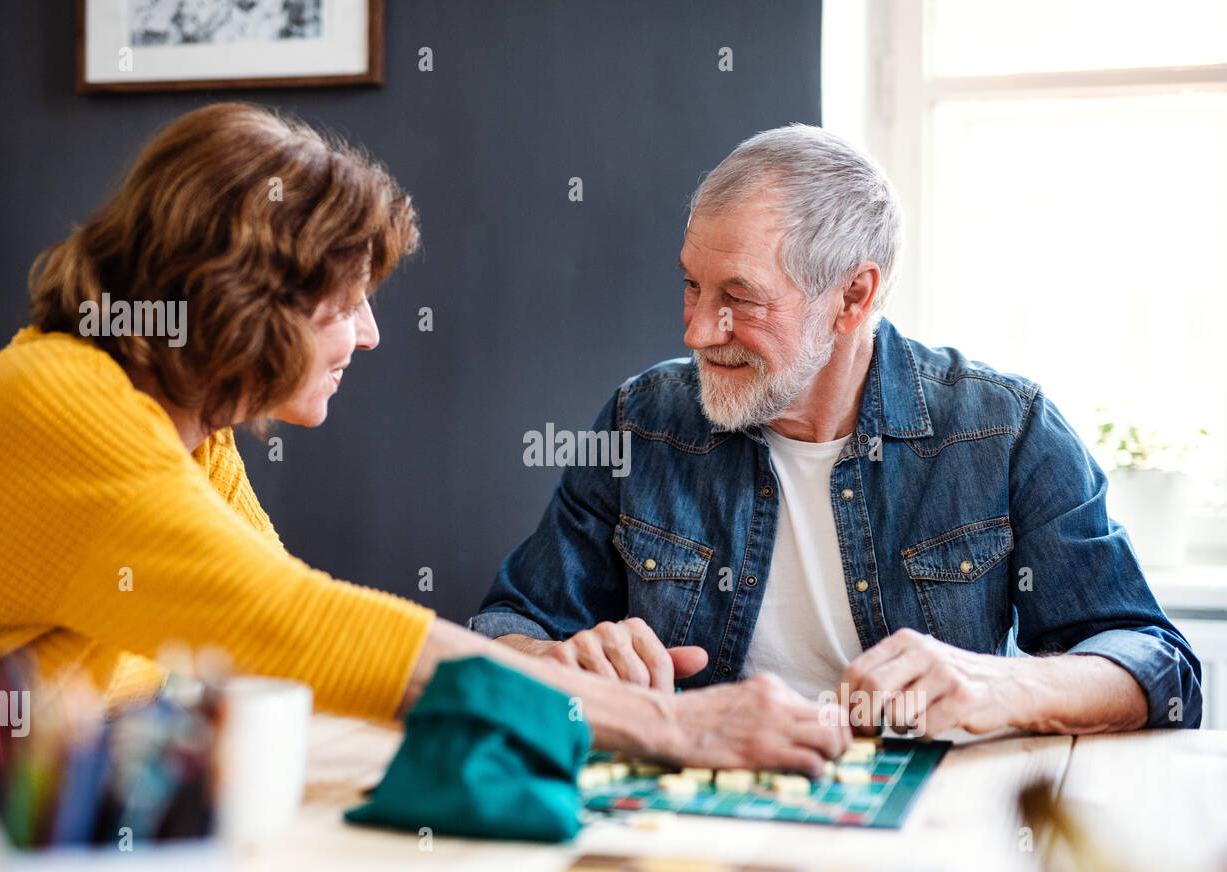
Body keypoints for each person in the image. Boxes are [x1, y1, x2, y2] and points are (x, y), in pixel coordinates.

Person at [0, 104, 852, 776]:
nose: (369, 334)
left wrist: (543, 687)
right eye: (348, 302)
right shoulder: (60, 405)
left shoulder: (183, 427)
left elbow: (283, 644)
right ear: (249, 301)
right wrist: (678, 728)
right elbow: (302, 631)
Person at [470, 124, 1202, 736]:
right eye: (692, 285)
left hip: (926, 825)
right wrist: (557, 660)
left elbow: (1158, 666)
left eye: (738, 297)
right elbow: (507, 624)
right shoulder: (643, 422)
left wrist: (1001, 685)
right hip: (694, 807)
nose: (694, 330)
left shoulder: (1004, 430)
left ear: (854, 295)